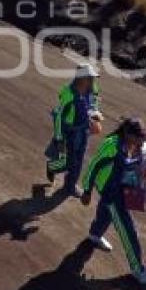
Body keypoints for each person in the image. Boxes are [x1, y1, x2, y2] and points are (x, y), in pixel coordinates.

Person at [81, 118, 146, 285]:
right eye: (139, 137)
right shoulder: (112, 145)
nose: (142, 140)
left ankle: (94, 235)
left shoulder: (138, 148)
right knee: (129, 232)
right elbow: (94, 166)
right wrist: (87, 190)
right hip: (113, 194)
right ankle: (137, 269)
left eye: (143, 137)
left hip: (124, 191)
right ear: (128, 134)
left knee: (105, 215)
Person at [46, 63, 103, 197]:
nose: (92, 80)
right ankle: (52, 166)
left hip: (84, 129)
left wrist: (95, 115)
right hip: (70, 130)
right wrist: (59, 138)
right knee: (69, 161)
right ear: (81, 78)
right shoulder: (69, 93)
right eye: (89, 77)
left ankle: (70, 186)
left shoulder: (93, 88)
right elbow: (59, 116)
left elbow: (94, 103)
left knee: (80, 158)